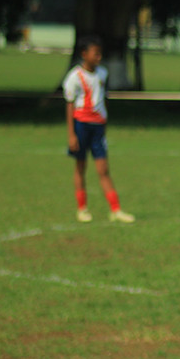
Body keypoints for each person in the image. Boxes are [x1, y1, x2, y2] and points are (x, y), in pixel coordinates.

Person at [62, 35, 134, 224]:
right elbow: (69, 105)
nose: (99, 57)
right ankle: (82, 208)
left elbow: (104, 99)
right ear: (84, 54)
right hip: (81, 125)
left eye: (100, 53)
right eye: (95, 53)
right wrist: (71, 135)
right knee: (81, 167)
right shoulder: (74, 77)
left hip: (98, 127)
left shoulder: (102, 74)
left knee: (103, 169)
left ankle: (115, 210)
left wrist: (105, 122)